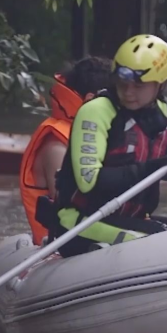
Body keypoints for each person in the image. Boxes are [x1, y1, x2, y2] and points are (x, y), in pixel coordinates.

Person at [50, 34, 167, 257]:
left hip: (133, 219)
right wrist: (150, 168)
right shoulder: (96, 111)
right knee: (161, 244)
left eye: (138, 86)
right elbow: (89, 183)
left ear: (161, 84)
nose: (128, 92)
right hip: (80, 221)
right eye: (123, 84)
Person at [20, 57, 113, 245]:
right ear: (91, 100)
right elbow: (72, 209)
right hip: (59, 249)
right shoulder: (57, 146)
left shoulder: (99, 136)